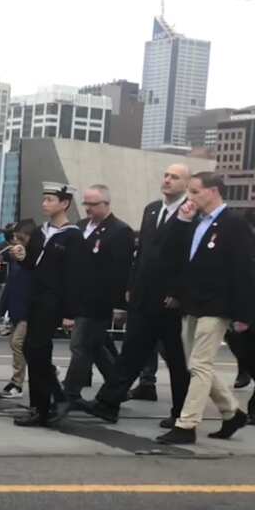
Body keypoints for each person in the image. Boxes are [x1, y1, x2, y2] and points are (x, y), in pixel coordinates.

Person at [81, 165, 192, 428]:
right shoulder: (152, 209)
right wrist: (131, 286)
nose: (167, 180)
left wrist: (177, 292)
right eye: (166, 175)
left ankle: (181, 413)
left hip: (170, 302)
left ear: (187, 184)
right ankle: (108, 404)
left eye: (175, 177)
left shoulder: (192, 213)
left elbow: (188, 258)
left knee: (177, 360)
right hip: (143, 296)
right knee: (130, 353)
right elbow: (141, 253)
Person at [154, 173, 252, 444]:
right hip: (191, 302)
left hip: (217, 305)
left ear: (213, 191)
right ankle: (231, 412)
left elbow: (244, 270)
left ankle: (186, 424)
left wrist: (244, 313)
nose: (191, 197)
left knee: (199, 364)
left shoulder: (234, 224)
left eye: (196, 192)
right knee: (196, 364)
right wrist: (181, 221)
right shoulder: (195, 221)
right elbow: (168, 254)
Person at [11, 183, 81, 427]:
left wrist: (70, 313)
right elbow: (32, 264)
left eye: (50, 199)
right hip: (35, 298)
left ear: (65, 203)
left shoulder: (72, 235)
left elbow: (74, 276)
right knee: (33, 350)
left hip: (53, 301)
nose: (45, 204)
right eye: (44, 199)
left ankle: (49, 403)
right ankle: (45, 404)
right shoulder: (41, 232)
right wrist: (22, 257)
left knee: (36, 348)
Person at [61, 184, 133, 405]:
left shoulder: (120, 231)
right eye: (86, 203)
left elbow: (121, 271)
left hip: (99, 299)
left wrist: (120, 305)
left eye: (93, 204)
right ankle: (118, 386)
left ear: (106, 204)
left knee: (80, 345)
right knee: (96, 346)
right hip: (79, 296)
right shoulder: (81, 226)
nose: (88, 208)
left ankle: (70, 392)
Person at [0, 220, 36, 400]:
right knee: (22, 346)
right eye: (15, 239)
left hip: (29, 310)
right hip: (17, 309)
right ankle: (48, 369)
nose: (16, 243)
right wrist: (0, 311)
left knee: (18, 343)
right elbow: (10, 286)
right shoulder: (15, 260)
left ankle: (17, 383)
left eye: (21, 239)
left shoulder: (34, 260)